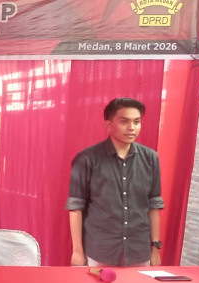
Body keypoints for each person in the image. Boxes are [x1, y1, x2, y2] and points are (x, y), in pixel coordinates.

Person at [66, 97, 164, 267]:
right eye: (124, 121)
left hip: (139, 252)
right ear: (109, 125)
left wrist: (155, 250)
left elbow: (154, 205)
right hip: (100, 252)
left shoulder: (150, 158)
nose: (132, 127)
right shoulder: (87, 159)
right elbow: (75, 207)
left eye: (137, 122)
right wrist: (77, 251)